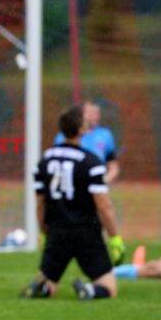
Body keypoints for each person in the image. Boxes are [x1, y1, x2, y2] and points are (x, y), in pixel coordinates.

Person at [20, 105, 126, 300]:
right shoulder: (91, 162)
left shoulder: (44, 161)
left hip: (56, 231)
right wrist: (114, 237)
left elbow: (40, 202)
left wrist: (44, 231)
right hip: (86, 232)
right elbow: (103, 205)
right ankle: (89, 290)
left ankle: (42, 289)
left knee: (49, 285)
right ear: (81, 130)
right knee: (109, 288)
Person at [54, 100, 120, 184]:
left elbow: (113, 165)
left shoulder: (105, 134)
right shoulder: (66, 135)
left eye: (97, 113)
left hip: (95, 185)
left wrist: (101, 182)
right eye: (91, 112)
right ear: (81, 115)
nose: (95, 116)